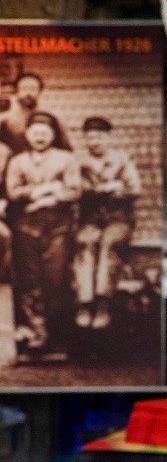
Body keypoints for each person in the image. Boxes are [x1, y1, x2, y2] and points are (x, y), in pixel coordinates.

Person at [5, 112, 82, 361]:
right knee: (30, 281)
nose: (40, 137)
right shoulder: (17, 161)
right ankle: (36, 337)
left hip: (58, 227)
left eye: (45, 133)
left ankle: (58, 341)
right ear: (27, 135)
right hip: (26, 227)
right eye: (35, 132)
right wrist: (43, 189)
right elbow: (13, 192)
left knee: (56, 281)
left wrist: (49, 197)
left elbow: (74, 190)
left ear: (53, 135)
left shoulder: (66, 159)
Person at [73, 116, 141, 330]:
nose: (94, 142)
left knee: (109, 244)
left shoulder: (122, 160)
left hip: (118, 218)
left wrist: (116, 188)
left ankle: (103, 304)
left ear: (108, 138)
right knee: (85, 243)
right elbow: (77, 190)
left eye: (99, 137)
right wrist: (104, 189)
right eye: (90, 138)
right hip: (91, 220)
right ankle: (85, 304)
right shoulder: (79, 163)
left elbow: (134, 189)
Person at [0, 73, 71, 153]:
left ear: (40, 92)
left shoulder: (51, 115)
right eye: (24, 89)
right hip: (14, 159)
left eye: (33, 89)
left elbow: (65, 143)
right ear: (17, 92)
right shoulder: (7, 113)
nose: (28, 93)